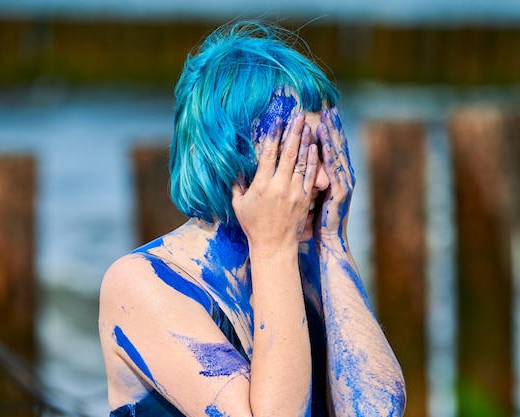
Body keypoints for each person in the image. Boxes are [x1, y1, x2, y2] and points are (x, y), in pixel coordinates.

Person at [98, 20, 406, 417]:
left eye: (326, 153)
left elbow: (377, 412)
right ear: (231, 159)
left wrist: (334, 244)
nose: (325, 178)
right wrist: (273, 249)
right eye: (299, 156)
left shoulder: (308, 264)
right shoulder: (142, 284)